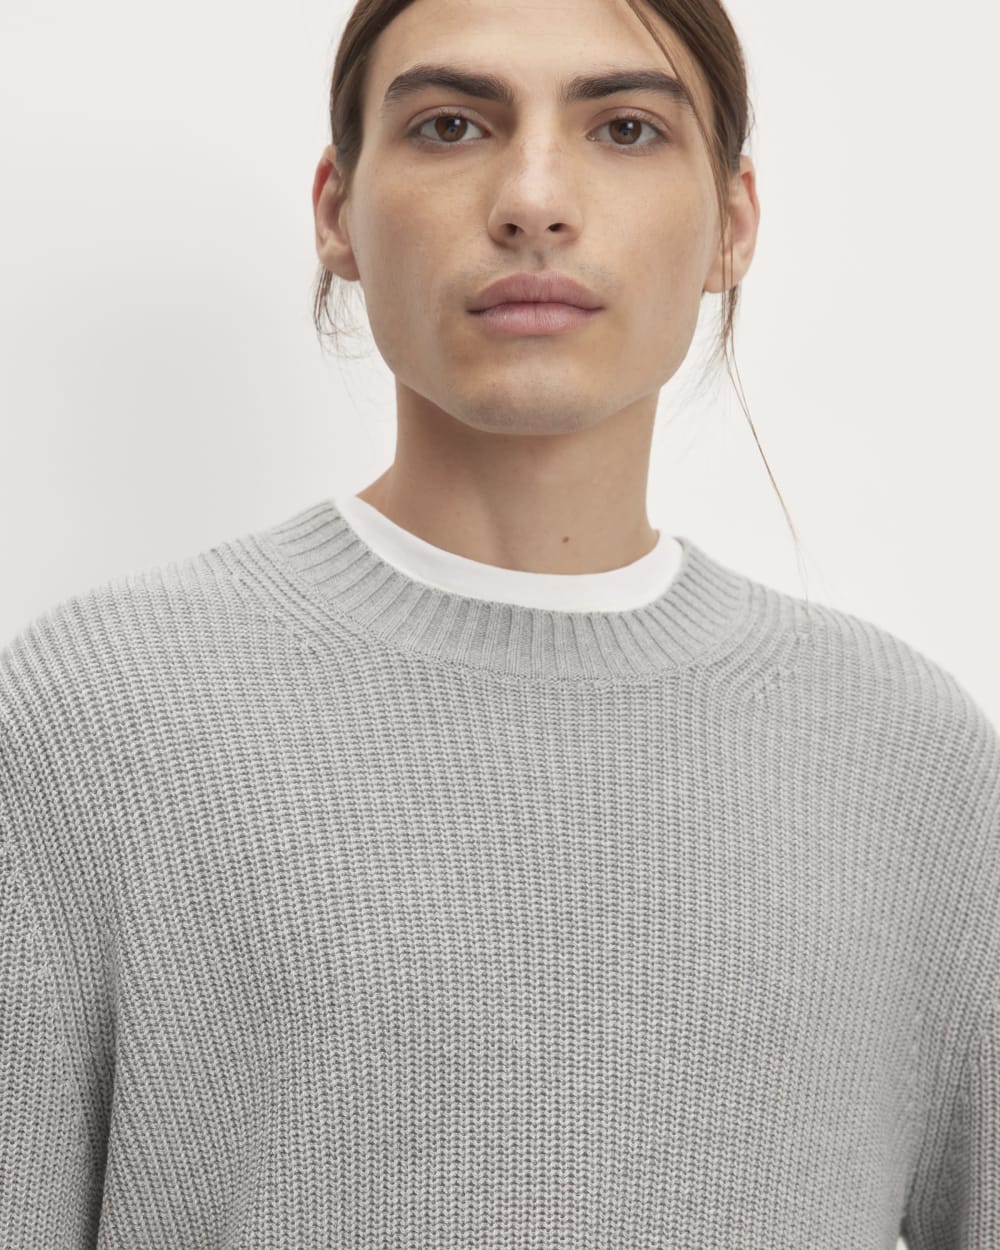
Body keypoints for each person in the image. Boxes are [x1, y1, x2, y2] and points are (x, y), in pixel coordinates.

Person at [1, 0, 996, 1246]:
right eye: (450, 125)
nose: (533, 200)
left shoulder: (911, 766)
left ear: (731, 224)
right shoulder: (90, 722)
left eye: (624, 128)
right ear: (336, 212)